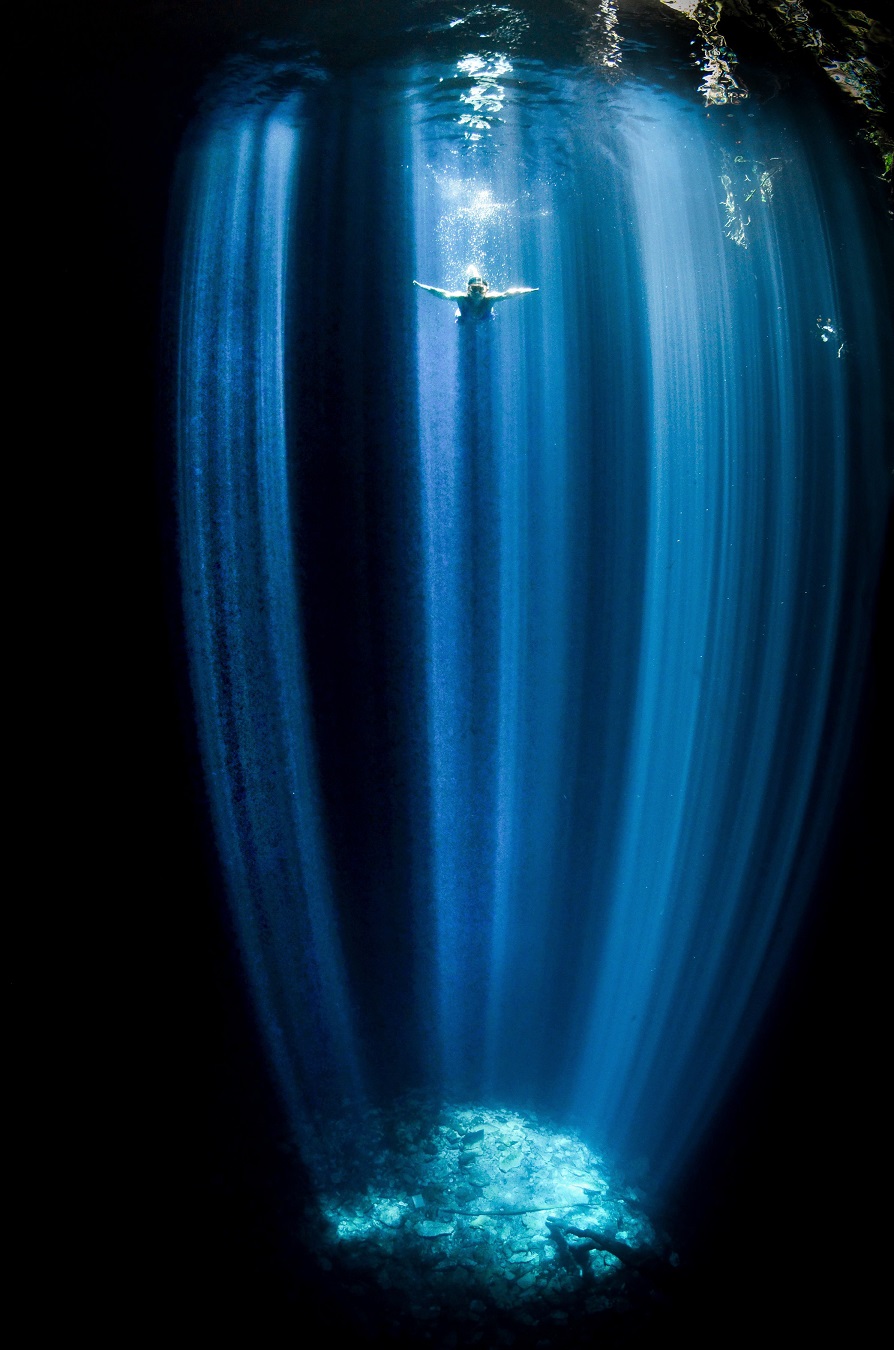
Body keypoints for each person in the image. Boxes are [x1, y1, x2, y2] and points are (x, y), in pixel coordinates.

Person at [413, 275, 538, 323]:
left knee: (488, 322)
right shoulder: (461, 298)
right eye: (474, 289)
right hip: (464, 316)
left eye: (481, 289)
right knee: (460, 322)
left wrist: (529, 290)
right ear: (468, 289)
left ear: (486, 290)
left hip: (485, 317)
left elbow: (510, 294)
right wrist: (421, 286)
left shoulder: (491, 299)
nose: (477, 293)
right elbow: (440, 293)